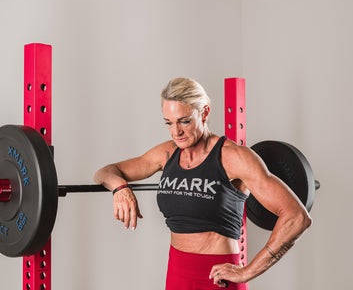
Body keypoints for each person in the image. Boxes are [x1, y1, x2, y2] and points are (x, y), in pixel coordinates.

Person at [93, 77, 312, 289]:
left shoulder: (234, 157)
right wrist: (120, 189)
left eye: (184, 121)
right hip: (177, 274)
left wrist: (248, 271)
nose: (176, 131)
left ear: (205, 112)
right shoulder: (167, 153)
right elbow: (105, 172)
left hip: (218, 278)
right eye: (168, 123)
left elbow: (297, 217)